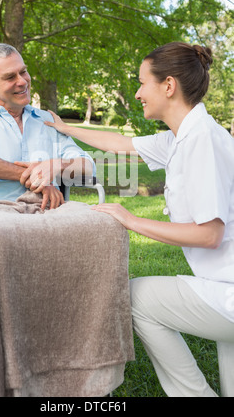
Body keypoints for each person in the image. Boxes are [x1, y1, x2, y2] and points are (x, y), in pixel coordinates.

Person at [45, 41, 234, 397]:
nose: (137, 92)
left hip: (228, 290)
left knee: (135, 297)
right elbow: (122, 144)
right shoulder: (183, 135)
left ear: (168, 86)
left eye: (142, 82)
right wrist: (66, 129)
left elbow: (210, 234)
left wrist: (130, 219)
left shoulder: (203, 140)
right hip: (221, 282)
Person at [0, 43, 94, 212]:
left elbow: (87, 167)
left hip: (49, 216)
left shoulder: (47, 120)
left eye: (23, 72)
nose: (22, 81)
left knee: (108, 224)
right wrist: (33, 177)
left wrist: (56, 165)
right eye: (10, 77)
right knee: (0, 233)